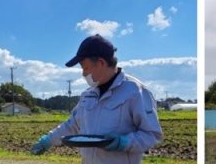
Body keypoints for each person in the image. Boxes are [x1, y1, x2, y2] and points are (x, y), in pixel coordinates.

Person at [30, 34, 162, 163]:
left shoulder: (135, 91)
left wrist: (123, 143)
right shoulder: (88, 95)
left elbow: (151, 135)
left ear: (101, 63)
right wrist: (48, 140)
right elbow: (72, 125)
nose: (83, 73)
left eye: (85, 67)